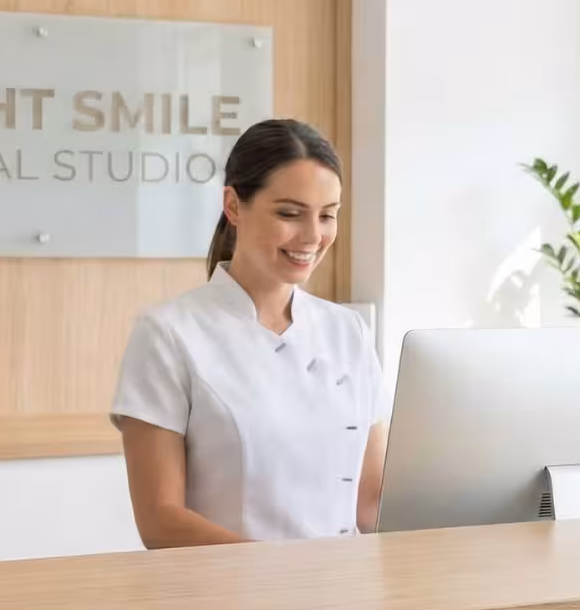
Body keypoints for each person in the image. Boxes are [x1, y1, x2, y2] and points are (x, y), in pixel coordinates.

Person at [109, 118, 389, 546]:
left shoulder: (348, 331)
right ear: (234, 206)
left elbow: (370, 502)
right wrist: (282, 575)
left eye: (328, 216)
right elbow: (160, 521)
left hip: (346, 593)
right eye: (289, 214)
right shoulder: (168, 334)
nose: (313, 236)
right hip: (232, 601)